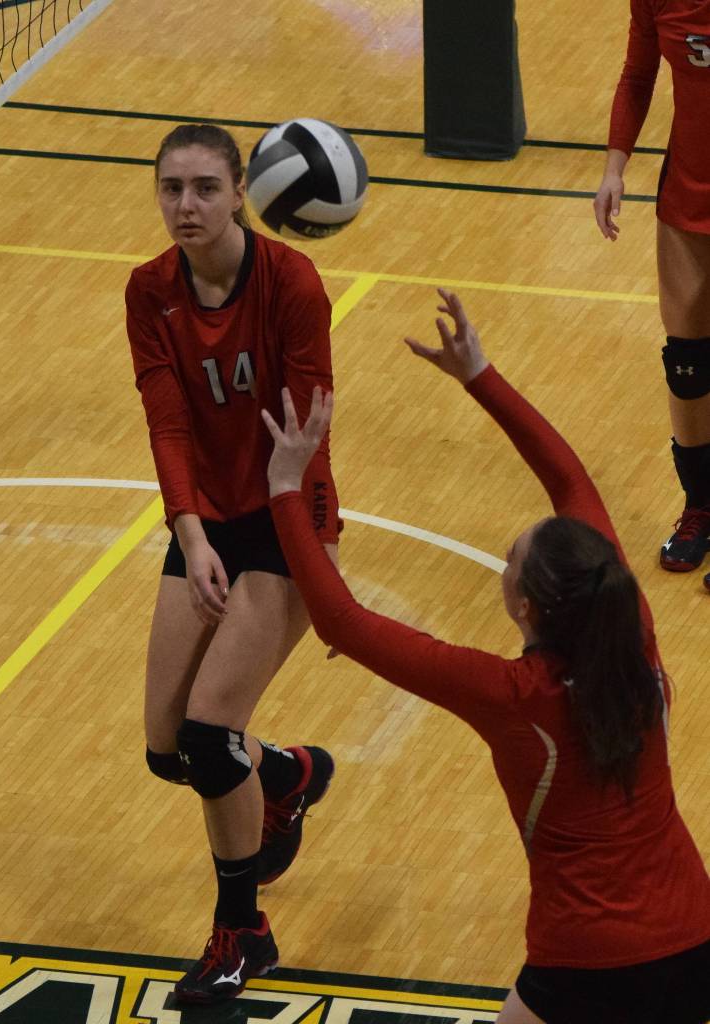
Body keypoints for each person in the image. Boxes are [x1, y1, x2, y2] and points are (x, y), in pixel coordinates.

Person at [261, 290, 710, 1024]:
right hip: (693, 937)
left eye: (509, 560)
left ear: (525, 608)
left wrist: (285, 490)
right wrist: (479, 375)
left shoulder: (512, 696)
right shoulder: (631, 631)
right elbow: (571, 483)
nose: (504, 563)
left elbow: (341, 620)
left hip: (584, 959)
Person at [125, 123, 339, 1006]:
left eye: (206, 187)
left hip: (287, 518)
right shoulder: (149, 291)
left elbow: (308, 434)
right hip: (208, 523)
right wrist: (191, 533)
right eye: (172, 188)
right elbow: (166, 420)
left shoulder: (291, 282)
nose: (187, 205)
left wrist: (316, 569)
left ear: (241, 191)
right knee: (167, 749)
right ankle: (286, 776)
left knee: (211, 739)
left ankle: (242, 931)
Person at [593, 1, 710, 589]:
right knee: (687, 365)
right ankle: (700, 506)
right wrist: (614, 168)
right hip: (689, 191)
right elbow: (637, 76)